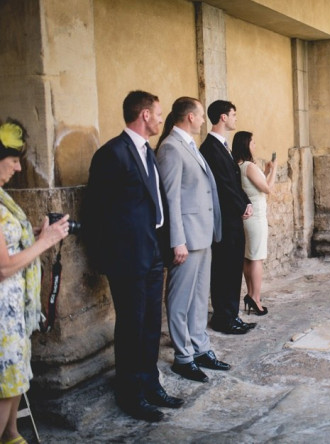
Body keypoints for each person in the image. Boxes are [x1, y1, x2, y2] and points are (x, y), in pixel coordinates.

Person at [83, 91, 183, 422]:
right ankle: (130, 394)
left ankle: (150, 384)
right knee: (131, 326)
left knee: (152, 324)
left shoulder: (148, 153)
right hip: (126, 259)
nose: (159, 118)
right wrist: (105, 259)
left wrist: (164, 245)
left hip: (153, 252)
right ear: (143, 115)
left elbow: (155, 202)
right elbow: (96, 211)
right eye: (156, 113)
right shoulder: (112, 154)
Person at [0, 119, 70, 444]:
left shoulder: (3, 198)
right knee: (7, 379)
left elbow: (13, 249)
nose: (17, 168)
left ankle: (11, 433)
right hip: (2, 312)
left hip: (14, 310)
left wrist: (40, 237)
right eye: (12, 159)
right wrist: (45, 243)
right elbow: (2, 267)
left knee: (15, 375)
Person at [155, 97, 229, 383]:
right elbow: (170, 198)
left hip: (203, 235)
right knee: (179, 300)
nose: (202, 121)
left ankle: (200, 347)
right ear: (189, 117)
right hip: (186, 238)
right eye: (199, 116)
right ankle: (183, 356)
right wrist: (177, 241)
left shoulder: (189, 145)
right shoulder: (171, 148)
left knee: (199, 299)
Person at [200, 100, 256, 334]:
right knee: (224, 269)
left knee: (233, 267)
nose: (235, 118)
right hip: (223, 218)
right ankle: (224, 317)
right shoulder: (210, 148)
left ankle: (231, 314)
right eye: (233, 114)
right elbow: (222, 185)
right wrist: (241, 205)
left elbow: (234, 181)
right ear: (223, 117)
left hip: (232, 216)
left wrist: (247, 201)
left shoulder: (222, 146)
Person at [232, 131, 276, 315]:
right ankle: (255, 298)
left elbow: (255, 186)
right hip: (256, 217)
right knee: (256, 258)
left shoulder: (239, 166)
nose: (255, 145)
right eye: (253, 142)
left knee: (248, 257)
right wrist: (273, 170)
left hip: (247, 218)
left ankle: (251, 294)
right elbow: (267, 189)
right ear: (246, 145)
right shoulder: (249, 166)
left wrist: (264, 172)